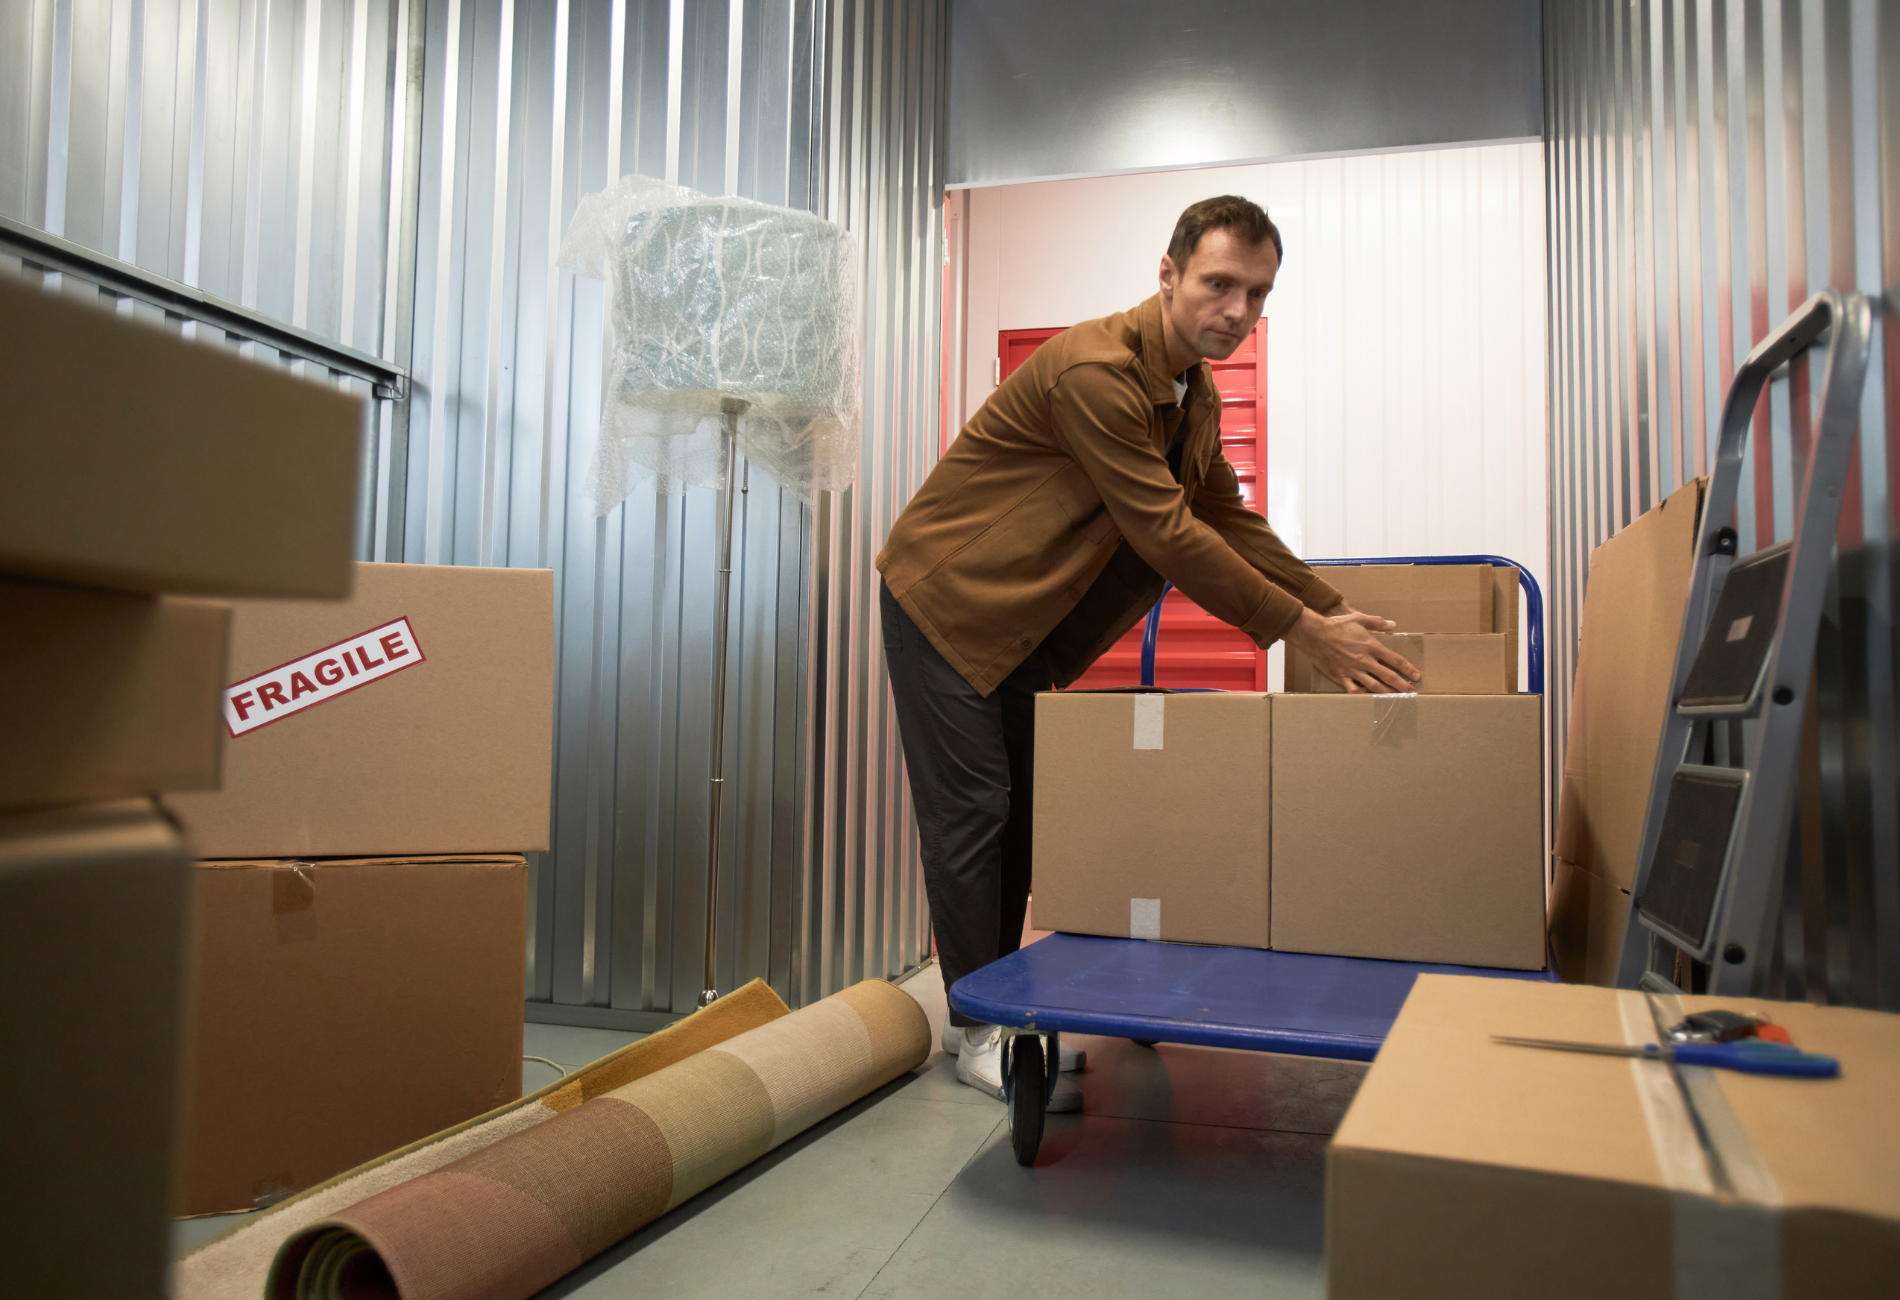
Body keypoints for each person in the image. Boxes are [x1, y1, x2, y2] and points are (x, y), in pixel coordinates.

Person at [876, 196, 1419, 1105]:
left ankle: (1000, 1011)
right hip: (948, 602)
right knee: (974, 815)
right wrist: (1298, 629)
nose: (1237, 311)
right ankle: (976, 1029)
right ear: (1167, 276)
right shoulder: (1097, 371)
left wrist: (1333, 609)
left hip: (1021, 624)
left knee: (1019, 814)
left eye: (1257, 293)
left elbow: (1226, 516)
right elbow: (1167, 533)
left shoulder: (1191, 394)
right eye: (1218, 284)